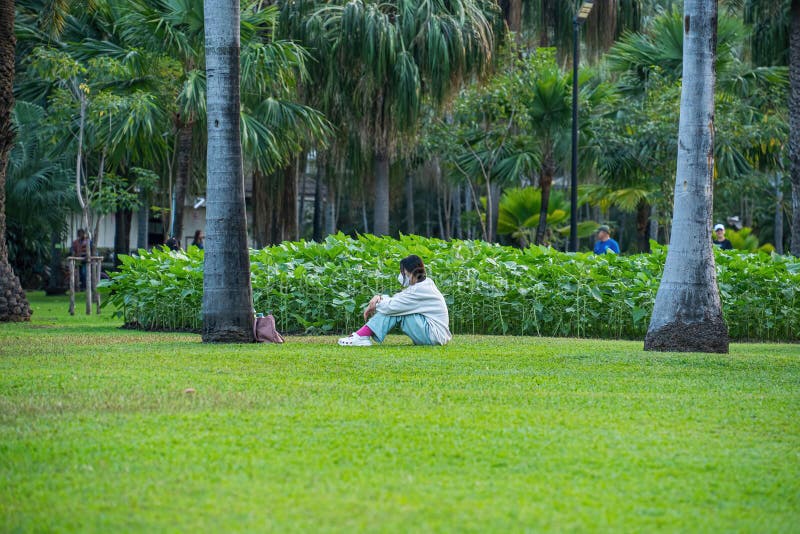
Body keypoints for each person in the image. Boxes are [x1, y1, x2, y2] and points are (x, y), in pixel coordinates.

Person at [338, 254, 452, 347]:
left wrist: (376, 304)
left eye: (404, 272)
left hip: (434, 336)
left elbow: (392, 306)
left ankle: (361, 336)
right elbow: (398, 299)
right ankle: (361, 335)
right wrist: (379, 297)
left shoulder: (420, 289)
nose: (402, 275)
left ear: (411, 272)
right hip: (433, 334)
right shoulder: (422, 285)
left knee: (394, 311)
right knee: (395, 308)